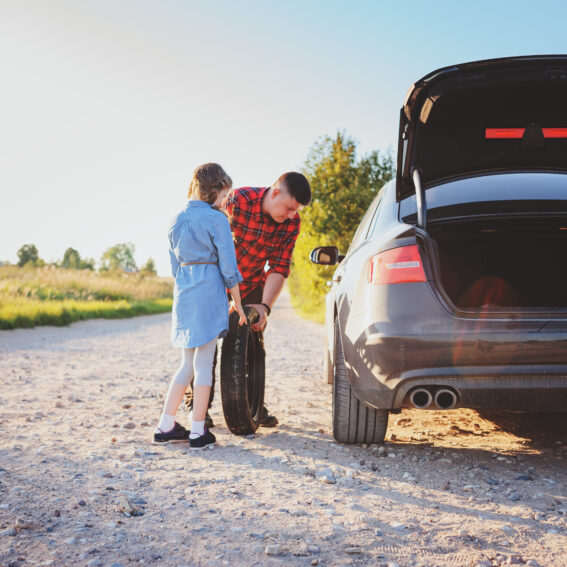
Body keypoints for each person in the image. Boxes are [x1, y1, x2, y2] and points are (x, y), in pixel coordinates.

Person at [185, 171, 312, 427]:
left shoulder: (291, 222)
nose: (291, 215)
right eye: (289, 207)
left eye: (295, 211)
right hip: (216, 281)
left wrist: (265, 306)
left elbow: (279, 266)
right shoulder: (237, 201)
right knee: (205, 342)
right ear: (275, 192)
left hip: (253, 282)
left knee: (253, 338)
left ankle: (253, 403)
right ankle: (198, 405)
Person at [154, 163, 247, 449]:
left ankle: (165, 425)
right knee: (204, 362)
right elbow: (229, 268)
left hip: (184, 292)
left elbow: (174, 267)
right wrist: (239, 306)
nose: (225, 201)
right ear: (214, 189)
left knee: (187, 363)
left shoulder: (175, 219)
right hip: (209, 290)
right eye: (224, 194)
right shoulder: (217, 220)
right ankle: (197, 431)